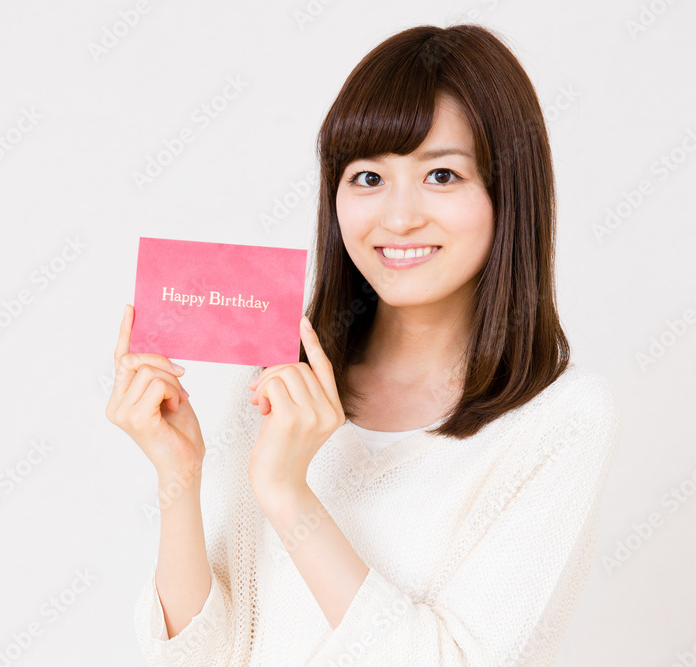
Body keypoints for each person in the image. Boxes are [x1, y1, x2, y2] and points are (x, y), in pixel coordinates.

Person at [107, 23, 622, 666]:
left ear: (507, 191)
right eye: (368, 178)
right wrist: (178, 477)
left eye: (441, 174)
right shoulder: (279, 386)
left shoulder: (561, 420)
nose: (398, 217)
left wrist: (289, 493)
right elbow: (201, 657)